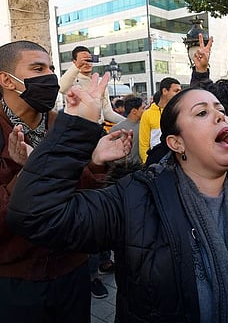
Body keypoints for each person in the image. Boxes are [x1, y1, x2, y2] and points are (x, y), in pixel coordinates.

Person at [6, 11, 228, 322]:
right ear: (176, 143)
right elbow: (37, 214)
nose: (218, 115)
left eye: (219, 110)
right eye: (201, 113)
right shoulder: (136, 200)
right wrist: (78, 125)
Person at [0, 41, 131, 322]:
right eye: (37, 68)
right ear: (6, 80)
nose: (49, 77)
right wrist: (25, 171)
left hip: (71, 271)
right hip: (15, 278)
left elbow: (82, 202)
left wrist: (95, 162)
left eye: (50, 68)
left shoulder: (66, 125)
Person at [59, 46, 125, 126]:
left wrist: (129, 122)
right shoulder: (71, 80)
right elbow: (61, 88)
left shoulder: (99, 83)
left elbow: (107, 112)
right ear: (74, 61)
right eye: (83, 60)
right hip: (77, 129)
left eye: (89, 60)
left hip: (97, 128)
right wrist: (77, 67)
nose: (87, 63)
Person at [138, 77, 182, 163]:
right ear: (165, 91)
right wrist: (148, 163)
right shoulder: (148, 114)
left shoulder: (179, 112)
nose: (179, 94)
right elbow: (143, 143)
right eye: (176, 91)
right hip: (155, 163)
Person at [111, 96, 144, 165]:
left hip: (141, 167)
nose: (144, 111)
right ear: (134, 111)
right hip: (123, 169)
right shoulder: (117, 129)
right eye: (142, 108)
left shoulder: (144, 125)